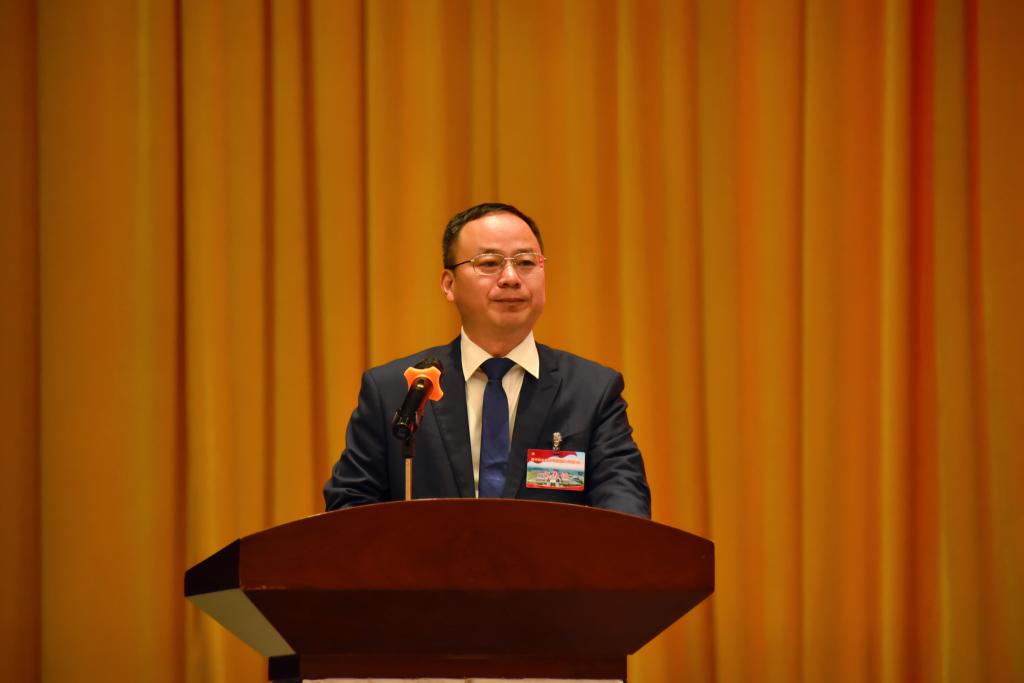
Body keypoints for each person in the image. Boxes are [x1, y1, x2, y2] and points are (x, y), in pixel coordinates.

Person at [323, 202, 651, 517]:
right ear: (449, 284)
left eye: (526, 262)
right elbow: (349, 508)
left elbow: (625, 511)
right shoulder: (397, 390)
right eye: (490, 263)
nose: (511, 277)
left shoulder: (592, 392)